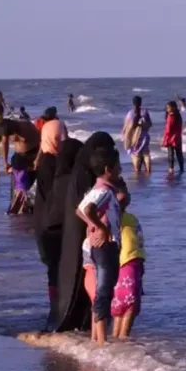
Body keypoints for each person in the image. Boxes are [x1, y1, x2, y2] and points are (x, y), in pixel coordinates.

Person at [51, 132, 116, 333]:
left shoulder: (80, 175)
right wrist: (100, 227)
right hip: (87, 237)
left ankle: (90, 328)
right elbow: (85, 209)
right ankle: (95, 331)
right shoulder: (86, 178)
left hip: (80, 237)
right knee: (97, 286)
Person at [75, 146, 123, 345]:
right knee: (104, 292)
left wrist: (92, 226)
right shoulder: (104, 191)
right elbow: (87, 210)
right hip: (105, 247)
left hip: (95, 247)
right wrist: (101, 227)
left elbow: (79, 210)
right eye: (118, 166)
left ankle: (96, 338)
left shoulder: (97, 189)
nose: (121, 169)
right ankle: (102, 342)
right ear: (108, 169)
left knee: (100, 292)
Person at [35, 138, 82, 312]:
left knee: (53, 273)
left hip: (45, 230)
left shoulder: (53, 175)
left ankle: (55, 307)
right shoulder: (71, 181)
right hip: (62, 232)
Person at [112, 185, 145, 339]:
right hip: (124, 262)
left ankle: (117, 339)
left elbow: (139, 242)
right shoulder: (113, 218)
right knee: (128, 302)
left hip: (135, 262)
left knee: (128, 302)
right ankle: (123, 338)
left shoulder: (131, 218)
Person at [0, 118, 41, 184]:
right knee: (18, 181)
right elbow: (5, 142)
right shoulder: (7, 129)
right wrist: (5, 161)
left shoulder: (27, 126)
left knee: (31, 179)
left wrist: (38, 158)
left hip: (33, 154)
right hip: (19, 157)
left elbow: (41, 141)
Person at [121, 96, 152, 174]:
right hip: (145, 136)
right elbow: (150, 124)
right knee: (146, 154)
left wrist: (123, 134)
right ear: (140, 103)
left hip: (135, 136)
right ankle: (148, 171)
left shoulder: (130, 113)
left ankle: (137, 171)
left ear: (133, 103)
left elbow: (126, 126)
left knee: (136, 154)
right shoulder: (145, 112)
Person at [161, 101, 184, 176]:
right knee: (179, 154)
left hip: (171, 138)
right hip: (178, 137)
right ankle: (181, 168)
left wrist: (164, 138)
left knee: (171, 154)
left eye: (168, 107)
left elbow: (168, 129)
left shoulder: (170, 116)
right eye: (167, 108)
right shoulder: (178, 115)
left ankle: (171, 169)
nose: (167, 109)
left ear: (173, 107)